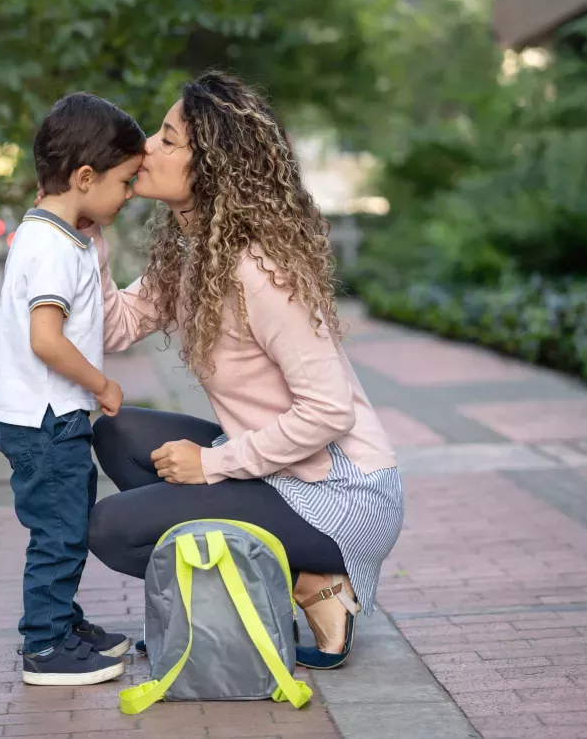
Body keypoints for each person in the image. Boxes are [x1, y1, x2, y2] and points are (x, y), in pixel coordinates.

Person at [85, 71, 404, 670]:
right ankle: (291, 584)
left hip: (340, 496)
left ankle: (301, 582)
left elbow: (329, 410)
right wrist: (88, 234)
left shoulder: (258, 272)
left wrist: (211, 465)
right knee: (118, 433)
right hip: (279, 473)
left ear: (211, 168)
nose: (146, 147)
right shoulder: (194, 254)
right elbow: (113, 328)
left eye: (168, 139)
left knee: (111, 529)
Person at [0, 92, 146, 685]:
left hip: (49, 416)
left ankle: (61, 620)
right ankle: (46, 644)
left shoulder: (62, 233)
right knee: (58, 532)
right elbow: (46, 340)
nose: (129, 194)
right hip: (46, 420)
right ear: (84, 177)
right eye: (124, 182)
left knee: (67, 523)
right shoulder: (51, 246)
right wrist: (102, 383)